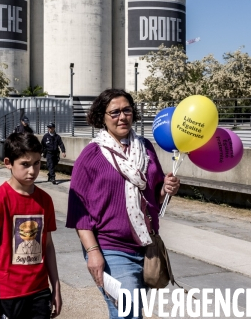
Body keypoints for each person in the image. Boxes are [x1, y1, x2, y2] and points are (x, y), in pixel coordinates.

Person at [66, 89, 180, 319]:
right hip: (110, 249)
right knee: (127, 314)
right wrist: (93, 252)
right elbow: (79, 213)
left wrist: (167, 189)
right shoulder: (91, 155)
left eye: (126, 110)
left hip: (146, 247)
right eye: (115, 112)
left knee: (132, 313)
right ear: (102, 117)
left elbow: (153, 196)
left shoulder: (145, 148)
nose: (122, 117)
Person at [0, 132, 62, 319]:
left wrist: (56, 287)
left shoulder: (45, 200)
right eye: (25, 164)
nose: (32, 171)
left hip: (40, 291)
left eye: (36, 163)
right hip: (8, 293)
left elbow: (48, 246)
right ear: (8, 163)